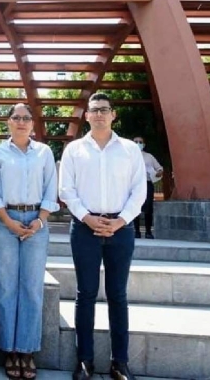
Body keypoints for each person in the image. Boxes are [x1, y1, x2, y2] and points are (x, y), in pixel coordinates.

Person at [59, 93, 146, 380]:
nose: (98, 114)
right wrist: (87, 217)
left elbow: (139, 191)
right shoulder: (74, 150)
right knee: (85, 295)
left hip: (121, 229)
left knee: (118, 296)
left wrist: (120, 221)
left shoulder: (130, 150)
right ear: (86, 116)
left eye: (104, 110)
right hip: (84, 228)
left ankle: (119, 362)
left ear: (113, 115)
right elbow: (66, 190)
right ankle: (84, 361)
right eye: (93, 110)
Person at [0, 103, 58, 379]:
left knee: (31, 287)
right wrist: (8, 221)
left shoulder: (44, 152)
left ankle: (27, 351)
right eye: (16, 117)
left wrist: (40, 221)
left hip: (37, 221)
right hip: (5, 221)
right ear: (8, 122)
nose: (21, 122)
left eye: (26, 118)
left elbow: (51, 186)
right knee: (6, 287)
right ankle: (9, 352)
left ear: (33, 123)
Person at [132, 136, 163, 239]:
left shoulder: (149, 156)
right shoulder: (127, 156)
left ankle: (148, 232)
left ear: (144, 144)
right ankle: (136, 231)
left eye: (140, 142)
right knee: (135, 207)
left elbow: (159, 168)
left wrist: (159, 172)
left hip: (147, 184)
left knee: (148, 208)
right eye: (136, 141)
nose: (138, 143)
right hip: (134, 185)